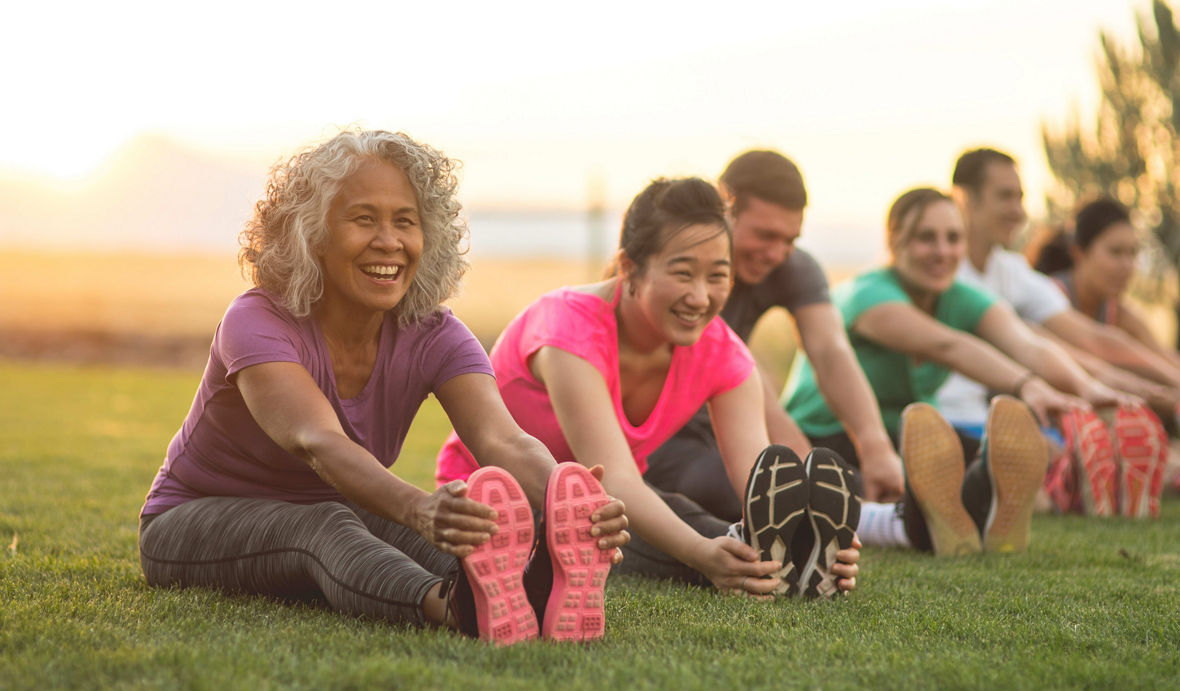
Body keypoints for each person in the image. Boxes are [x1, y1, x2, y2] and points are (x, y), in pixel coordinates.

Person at [137, 130, 630, 646]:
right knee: (326, 525)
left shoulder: (435, 334)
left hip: (343, 507)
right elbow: (317, 440)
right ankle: (453, 607)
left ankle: (532, 591)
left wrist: (567, 501)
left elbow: (503, 440)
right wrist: (419, 507)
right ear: (313, 233)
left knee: (468, 533)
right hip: (191, 520)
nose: (389, 242)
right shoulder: (258, 319)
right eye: (363, 219)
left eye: (405, 222)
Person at [437, 177, 861, 599]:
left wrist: (801, 529)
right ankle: (764, 567)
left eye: (718, 276)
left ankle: (795, 563)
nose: (700, 296)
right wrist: (702, 553)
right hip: (498, 499)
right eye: (683, 273)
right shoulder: (568, 331)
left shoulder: (723, 353)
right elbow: (615, 479)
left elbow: (758, 483)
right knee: (625, 527)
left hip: (611, 507)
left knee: (685, 519)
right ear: (629, 267)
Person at [782, 187, 1124, 555]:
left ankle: (994, 507)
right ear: (894, 240)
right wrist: (1028, 386)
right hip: (830, 435)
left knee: (991, 459)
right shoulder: (868, 295)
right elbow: (948, 346)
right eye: (926, 238)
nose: (943, 252)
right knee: (870, 483)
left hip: (913, 436)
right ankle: (940, 516)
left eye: (953, 238)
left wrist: (1085, 389)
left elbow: (1025, 342)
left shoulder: (959, 296)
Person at [642, 151, 903, 528]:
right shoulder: (678, 270)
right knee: (736, 487)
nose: (777, 253)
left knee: (843, 477)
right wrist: (804, 468)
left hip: (730, 431)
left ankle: (909, 516)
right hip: (662, 440)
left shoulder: (791, 266)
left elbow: (831, 351)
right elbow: (742, 370)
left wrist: (874, 445)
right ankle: (882, 523)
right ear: (724, 209)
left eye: (789, 239)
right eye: (765, 235)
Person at [938, 148, 1170, 518]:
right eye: (1005, 196)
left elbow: (1088, 340)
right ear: (963, 199)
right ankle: (1067, 483)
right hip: (946, 421)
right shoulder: (941, 273)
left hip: (989, 415)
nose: (1018, 210)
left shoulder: (1009, 271)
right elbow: (1045, 347)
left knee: (1061, 445)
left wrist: (1175, 387)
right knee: (1045, 457)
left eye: (1021, 198)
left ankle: (1076, 477)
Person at [1031, 197, 1180, 501]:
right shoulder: (1050, 299)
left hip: (1098, 415)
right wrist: (1178, 397)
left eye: (1133, 254)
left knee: (1160, 455)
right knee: (1153, 457)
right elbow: (1086, 366)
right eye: (1115, 252)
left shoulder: (1118, 311)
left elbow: (1171, 363)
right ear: (1079, 253)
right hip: (1048, 418)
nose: (1127, 266)